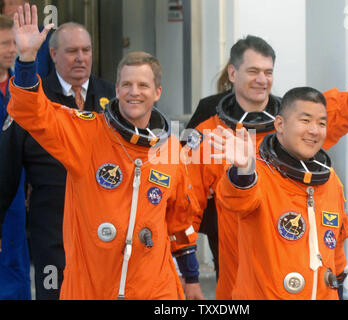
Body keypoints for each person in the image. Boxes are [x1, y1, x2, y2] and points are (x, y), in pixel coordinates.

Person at [184, 14, 348, 299]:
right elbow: (186, 201)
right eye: (253, 71)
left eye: (268, 72)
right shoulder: (213, 129)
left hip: (298, 256)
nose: (262, 79)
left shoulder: (298, 119)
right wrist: (189, 273)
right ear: (232, 73)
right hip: (237, 258)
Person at [7, 4, 201, 300]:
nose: (134, 91)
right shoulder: (88, 132)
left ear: (157, 92)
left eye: (143, 85)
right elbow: (31, 113)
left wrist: (191, 277)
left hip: (152, 288)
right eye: (126, 84)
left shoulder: (170, 149)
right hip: (92, 286)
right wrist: (27, 59)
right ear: (117, 88)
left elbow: (180, 219)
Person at [0, 21, 115, 299]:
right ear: (52, 54)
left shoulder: (113, 98)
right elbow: (6, 171)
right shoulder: (32, 99)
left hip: (107, 232)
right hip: (52, 231)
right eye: (72, 51)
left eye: (86, 50)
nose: (81, 58)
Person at [209, 86, 348, 300]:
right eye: (305, 120)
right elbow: (235, 201)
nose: (314, 130)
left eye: (321, 123)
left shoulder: (331, 181)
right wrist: (244, 171)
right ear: (280, 124)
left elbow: (336, 246)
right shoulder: (259, 174)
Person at [0, 13, 31, 300]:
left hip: (16, 191)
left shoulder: (21, 87)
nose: (11, 49)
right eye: (4, 43)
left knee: (14, 257)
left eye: (13, 43)